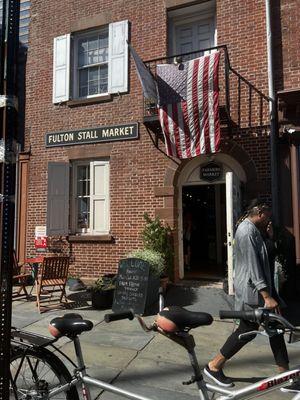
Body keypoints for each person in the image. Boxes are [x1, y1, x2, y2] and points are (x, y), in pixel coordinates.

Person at [204, 201, 290, 387]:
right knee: (247, 331)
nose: (270, 218)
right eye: (268, 214)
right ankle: (213, 366)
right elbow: (253, 266)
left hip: (261, 292)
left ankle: (287, 377)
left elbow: (265, 257)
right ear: (259, 212)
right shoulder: (246, 231)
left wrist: (269, 237)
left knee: (275, 331)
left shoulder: (255, 231)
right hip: (254, 294)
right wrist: (266, 296)